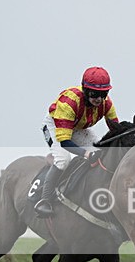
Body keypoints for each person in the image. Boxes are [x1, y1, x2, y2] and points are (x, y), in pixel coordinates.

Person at [34, 66, 119, 217]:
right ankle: (44, 200)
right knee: (63, 160)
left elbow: (115, 130)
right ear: (85, 91)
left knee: (101, 152)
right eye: (94, 93)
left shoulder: (107, 104)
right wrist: (86, 154)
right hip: (55, 125)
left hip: (78, 127)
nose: (99, 99)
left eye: (103, 93)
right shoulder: (69, 104)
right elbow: (65, 142)